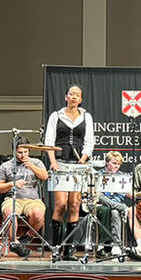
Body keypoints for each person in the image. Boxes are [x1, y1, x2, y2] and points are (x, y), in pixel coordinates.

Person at [44, 84, 94, 248]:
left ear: (80, 99)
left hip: (78, 164)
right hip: (60, 163)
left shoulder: (86, 117)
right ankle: (56, 247)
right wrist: (53, 162)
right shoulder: (56, 116)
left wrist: (84, 157)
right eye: (71, 94)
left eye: (77, 95)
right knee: (60, 204)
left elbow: (89, 141)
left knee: (74, 205)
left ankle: (69, 249)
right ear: (66, 97)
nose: (74, 97)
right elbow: (49, 141)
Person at [0, 139, 49, 258]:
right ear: (14, 151)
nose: (23, 155)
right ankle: (14, 243)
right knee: (9, 212)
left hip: (32, 199)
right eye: (20, 152)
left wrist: (31, 166)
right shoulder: (6, 166)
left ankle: (28, 236)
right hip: (13, 198)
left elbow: (45, 176)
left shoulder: (37, 162)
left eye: (26, 151)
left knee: (38, 213)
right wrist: (12, 184)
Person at [97, 150, 130, 257]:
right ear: (107, 162)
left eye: (118, 164)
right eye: (114, 163)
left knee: (115, 212)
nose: (117, 166)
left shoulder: (122, 176)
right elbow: (98, 195)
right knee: (104, 203)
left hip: (115, 205)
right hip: (100, 204)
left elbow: (122, 194)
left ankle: (116, 245)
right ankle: (102, 245)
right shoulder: (99, 175)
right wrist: (121, 206)